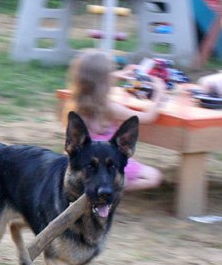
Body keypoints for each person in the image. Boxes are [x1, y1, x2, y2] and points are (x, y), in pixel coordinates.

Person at [64, 49, 166, 191]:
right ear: (105, 82)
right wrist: (159, 93)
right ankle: (114, 185)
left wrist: (121, 74)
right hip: (108, 160)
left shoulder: (75, 103)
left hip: (83, 160)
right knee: (154, 176)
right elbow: (148, 117)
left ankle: (89, 184)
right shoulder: (109, 108)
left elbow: (93, 79)